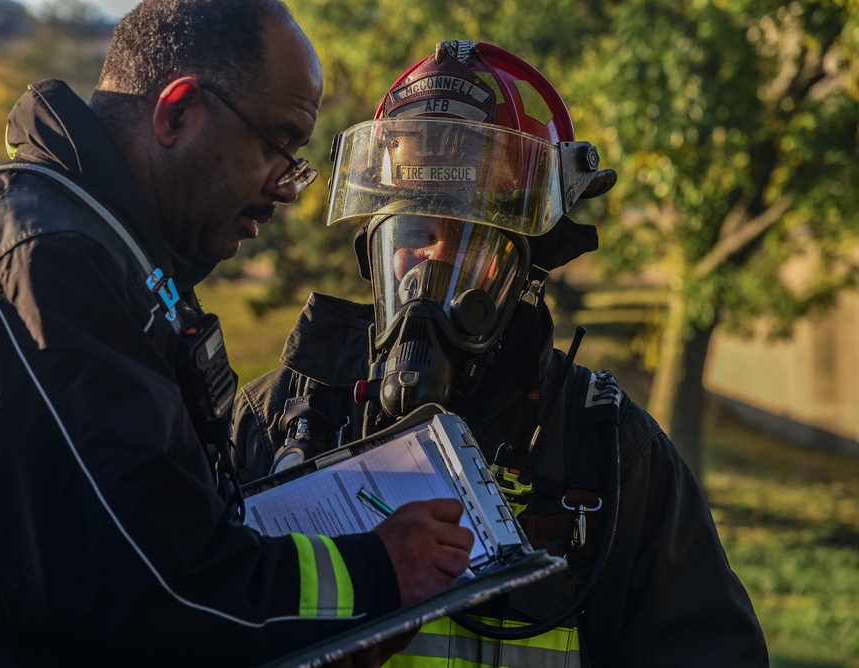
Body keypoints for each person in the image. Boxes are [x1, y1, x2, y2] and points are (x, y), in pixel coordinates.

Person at [0, 2, 476, 665]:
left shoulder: (100, 251)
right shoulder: (43, 263)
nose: (286, 189)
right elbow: (143, 585)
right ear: (177, 113)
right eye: (277, 146)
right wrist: (375, 573)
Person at [233, 40, 769, 666]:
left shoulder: (611, 453)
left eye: (470, 238)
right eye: (416, 233)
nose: (433, 264)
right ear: (373, 251)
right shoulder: (277, 420)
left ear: (524, 267)